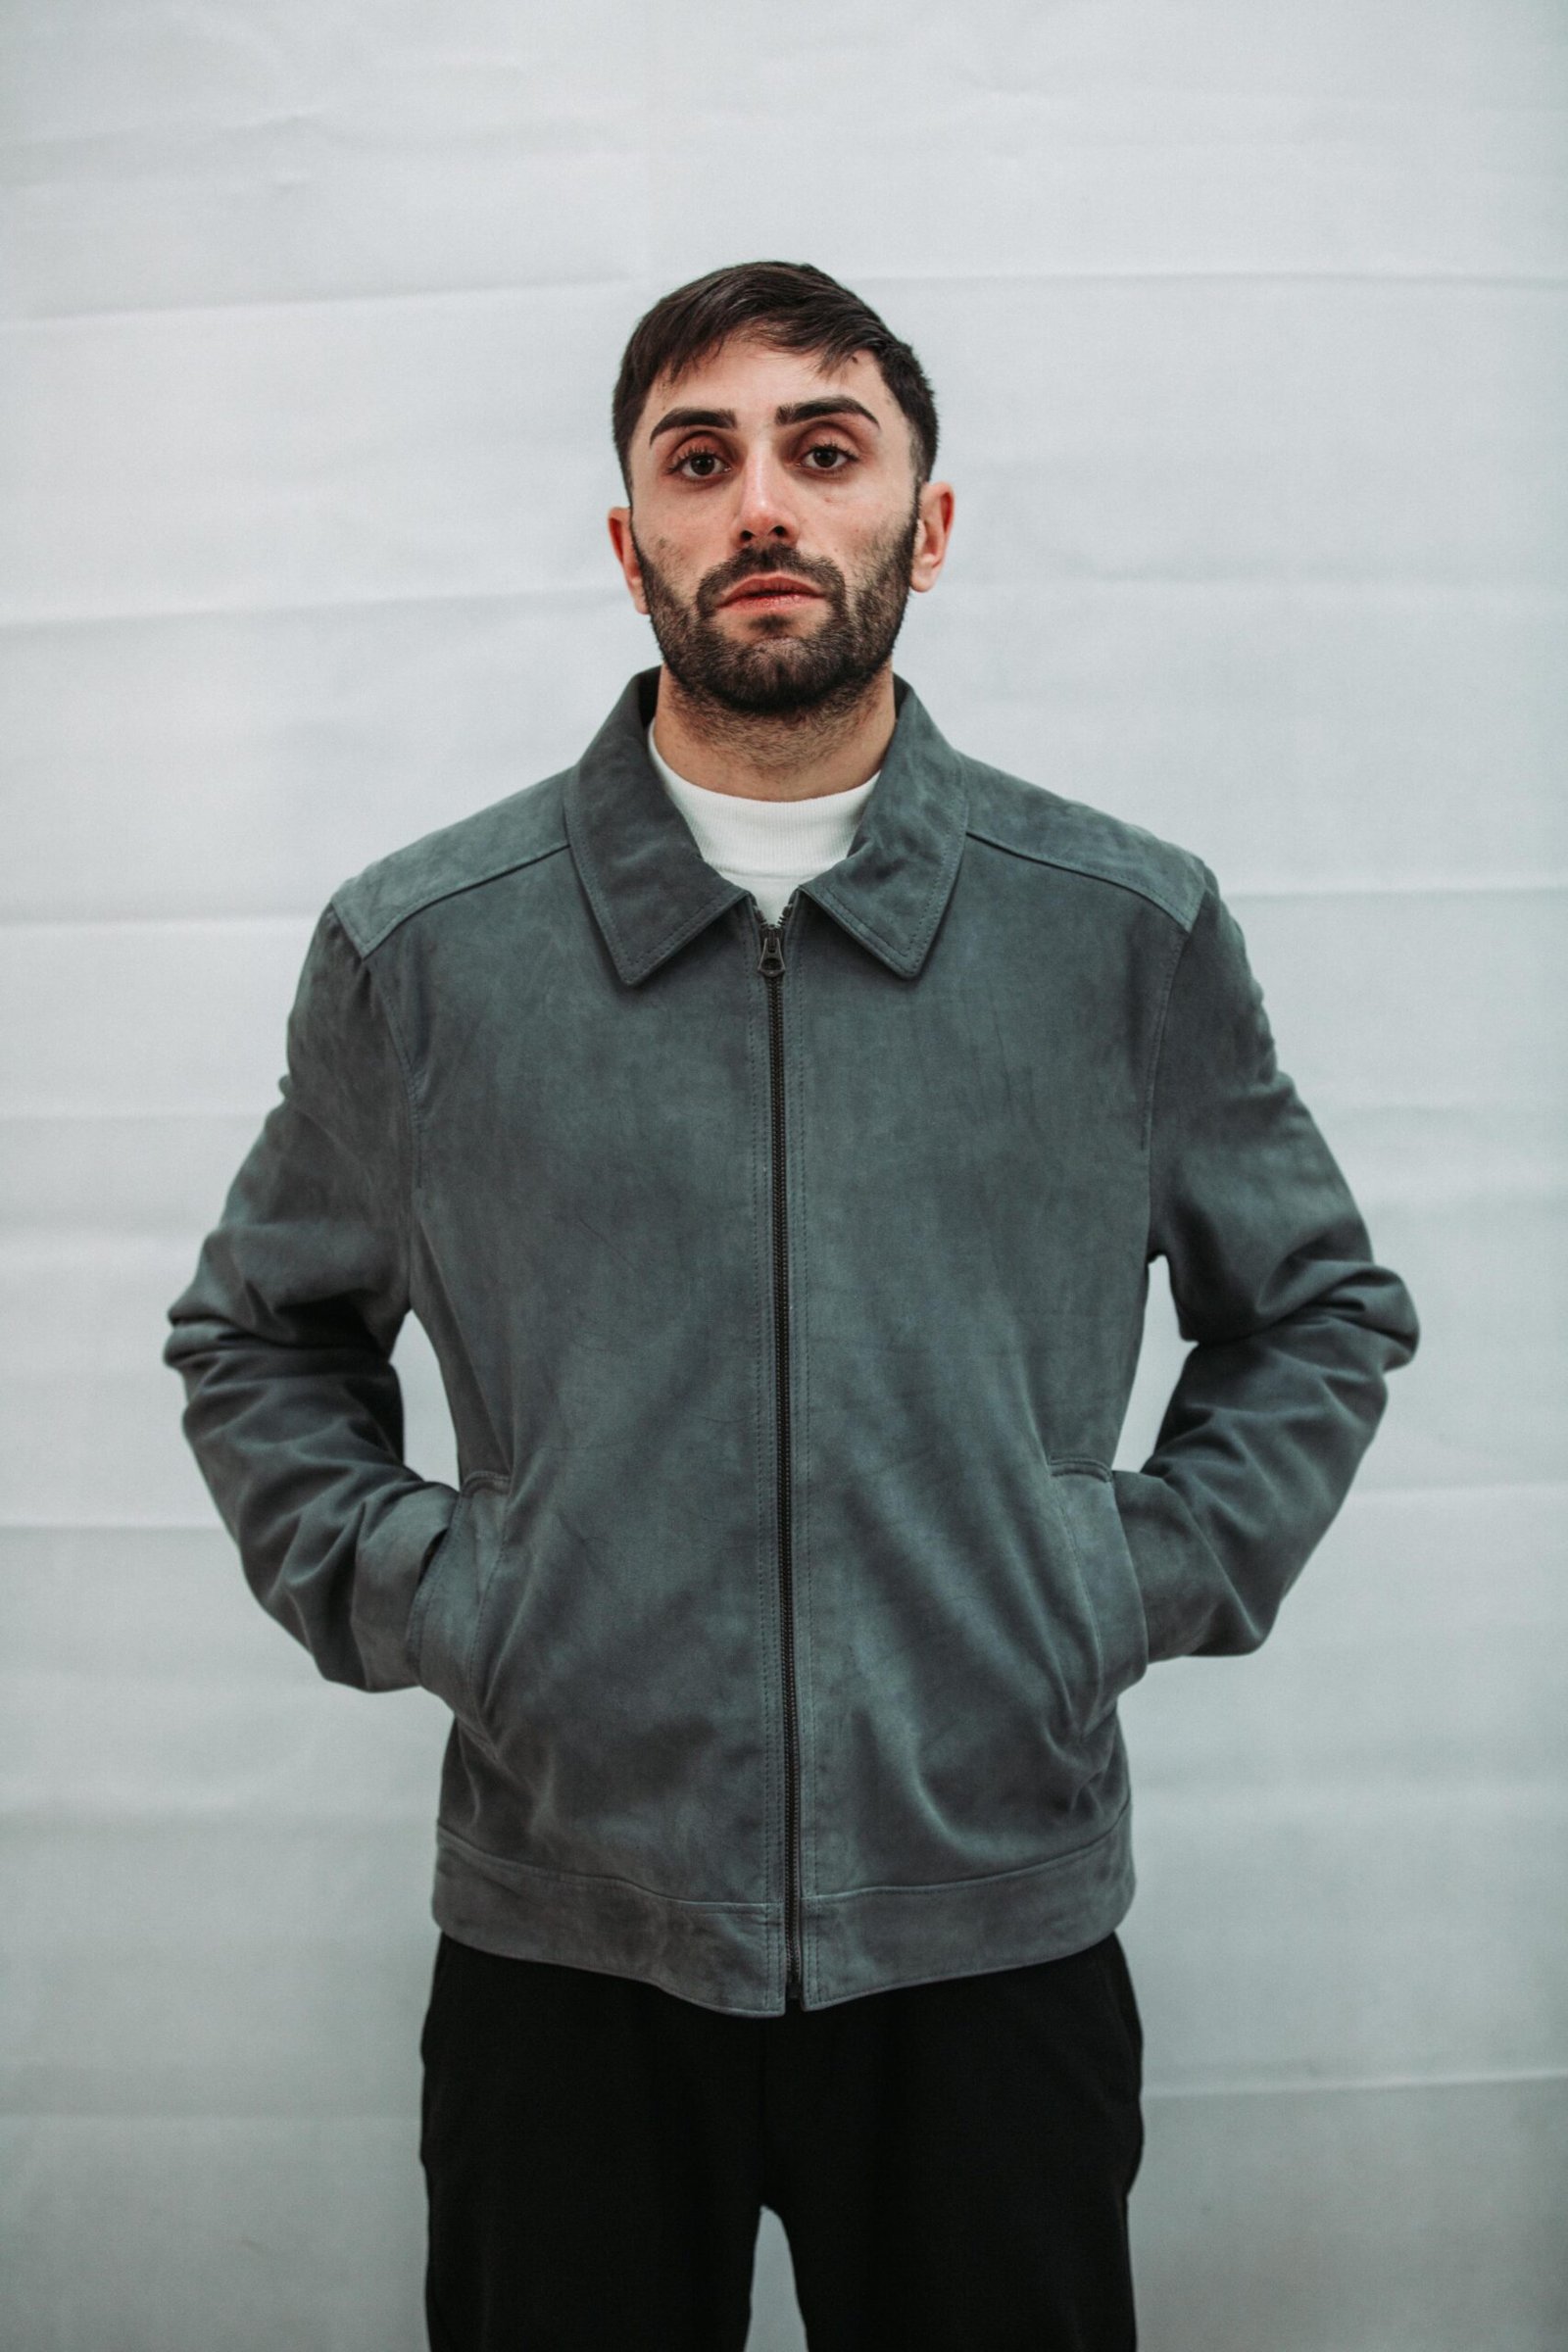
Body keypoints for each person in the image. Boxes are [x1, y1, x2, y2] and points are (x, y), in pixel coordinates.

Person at [164, 260, 1420, 2350]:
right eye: (700, 458)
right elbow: (259, 1339)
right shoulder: (427, 949)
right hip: (568, 1959)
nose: (762, 501)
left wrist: (1103, 1580)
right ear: (627, 540)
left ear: (926, 524)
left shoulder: (1118, 929)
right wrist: (447, 1600)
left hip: (988, 1946)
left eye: (824, 450)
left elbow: (1314, 1312)